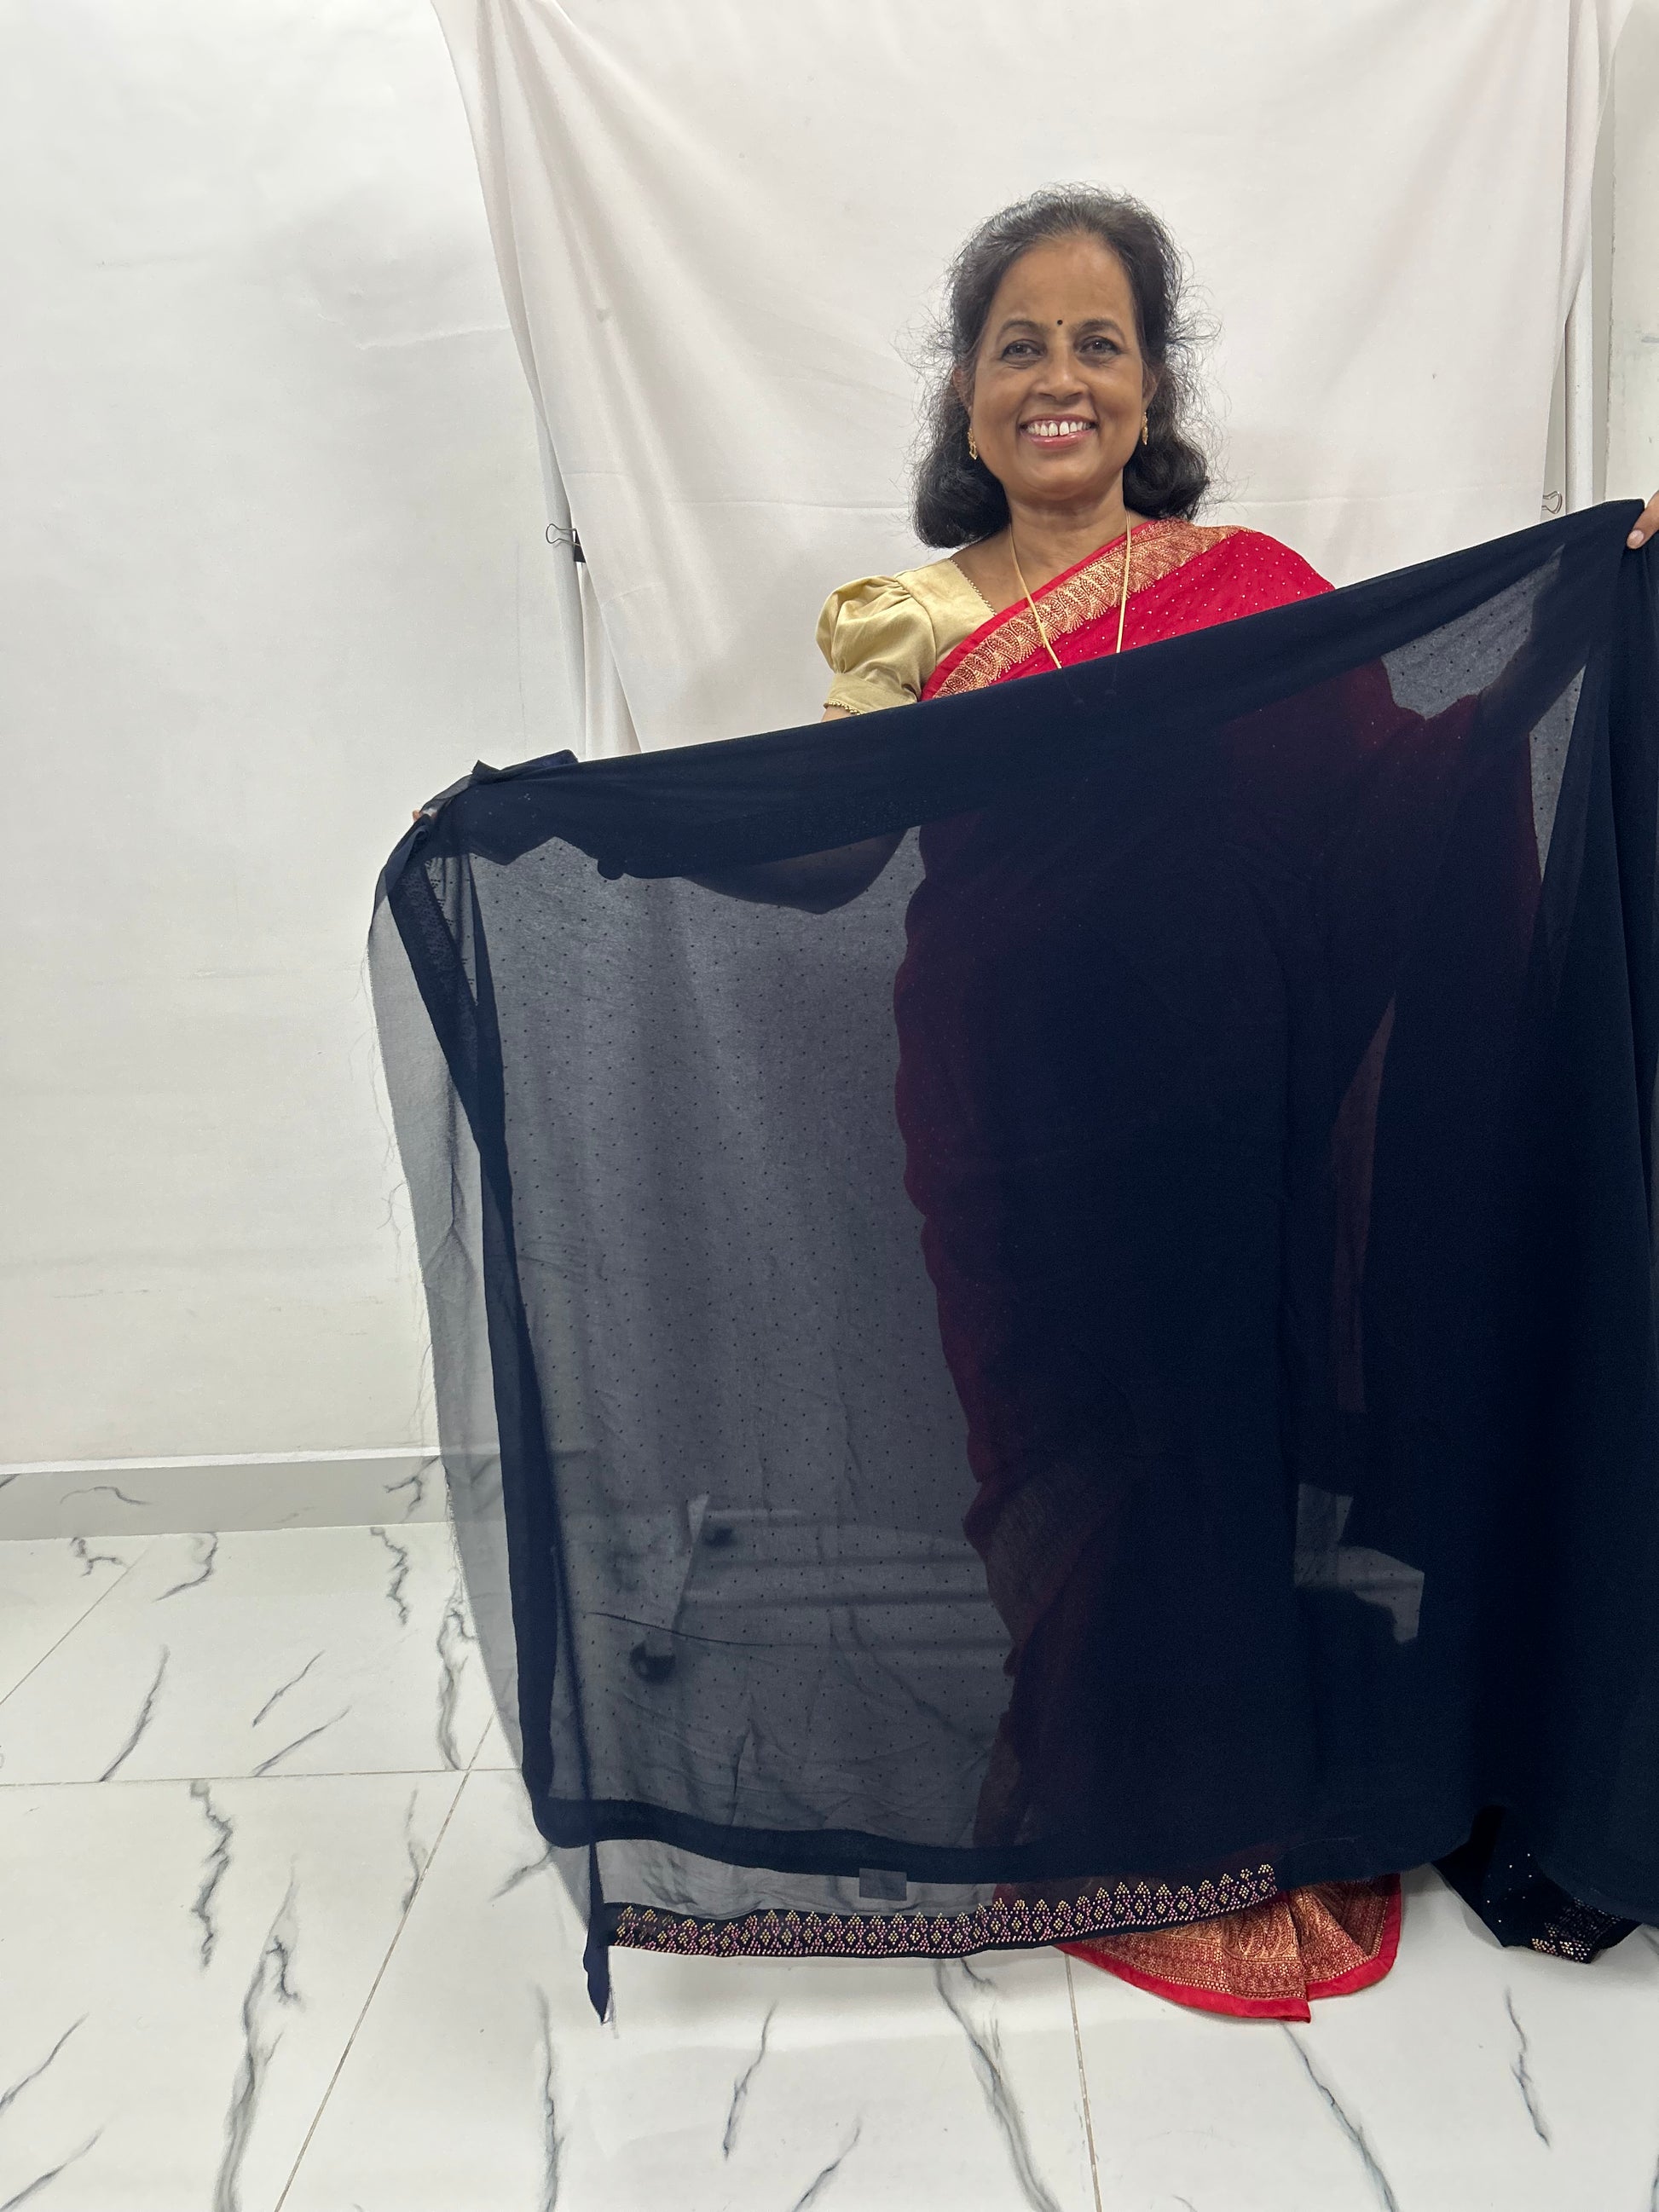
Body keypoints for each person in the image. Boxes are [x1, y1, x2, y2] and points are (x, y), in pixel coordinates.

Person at [702, 185, 1659, 2020]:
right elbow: (827, 853)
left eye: (1099, 342)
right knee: (1061, 1445)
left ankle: (1232, 1791)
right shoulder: (909, 616)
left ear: (1150, 388)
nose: (1057, 377)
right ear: (966, 392)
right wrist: (600, 829)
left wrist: (1581, 614)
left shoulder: (1252, 596)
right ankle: (1112, 1800)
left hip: (1223, 1112)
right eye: (1019, 345)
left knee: (1211, 1437)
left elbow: (1403, 794)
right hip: (1002, 1118)